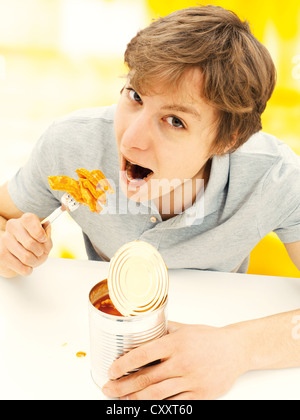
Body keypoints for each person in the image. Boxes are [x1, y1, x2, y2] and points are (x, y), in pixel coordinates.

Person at [0, 5, 299, 400]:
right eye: (136, 96)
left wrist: (238, 348)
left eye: (175, 120)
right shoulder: (71, 147)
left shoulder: (273, 177)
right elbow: (5, 215)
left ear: (227, 142)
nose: (130, 141)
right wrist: (10, 244)